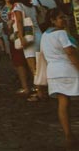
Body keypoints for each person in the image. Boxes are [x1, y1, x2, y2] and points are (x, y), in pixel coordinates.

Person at [41, 8, 79, 147]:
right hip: (68, 70)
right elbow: (70, 52)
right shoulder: (61, 33)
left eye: (64, 17)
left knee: (63, 104)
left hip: (53, 72)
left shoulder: (45, 35)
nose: (64, 20)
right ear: (52, 20)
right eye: (60, 17)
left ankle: (68, 134)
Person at [9, 0, 42, 100]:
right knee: (40, 64)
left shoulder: (18, 6)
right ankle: (42, 89)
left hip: (29, 37)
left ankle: (39, 92)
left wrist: (21, 37)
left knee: (33, 67)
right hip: (38, 34)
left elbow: (19, 21)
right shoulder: (31, 6)